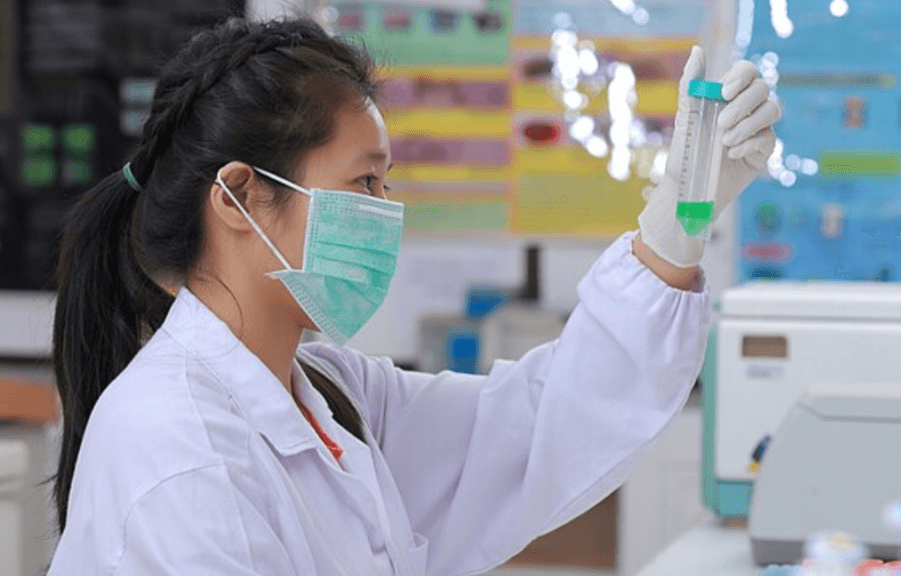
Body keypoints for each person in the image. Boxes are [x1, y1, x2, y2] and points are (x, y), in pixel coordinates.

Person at [47, 16, 779, 576]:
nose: (384, 214)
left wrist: (679, 225)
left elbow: (537, 426)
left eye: (385, 185)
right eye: (363, 184)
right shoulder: (184, 454)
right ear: (239, 197)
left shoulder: (332, 395)